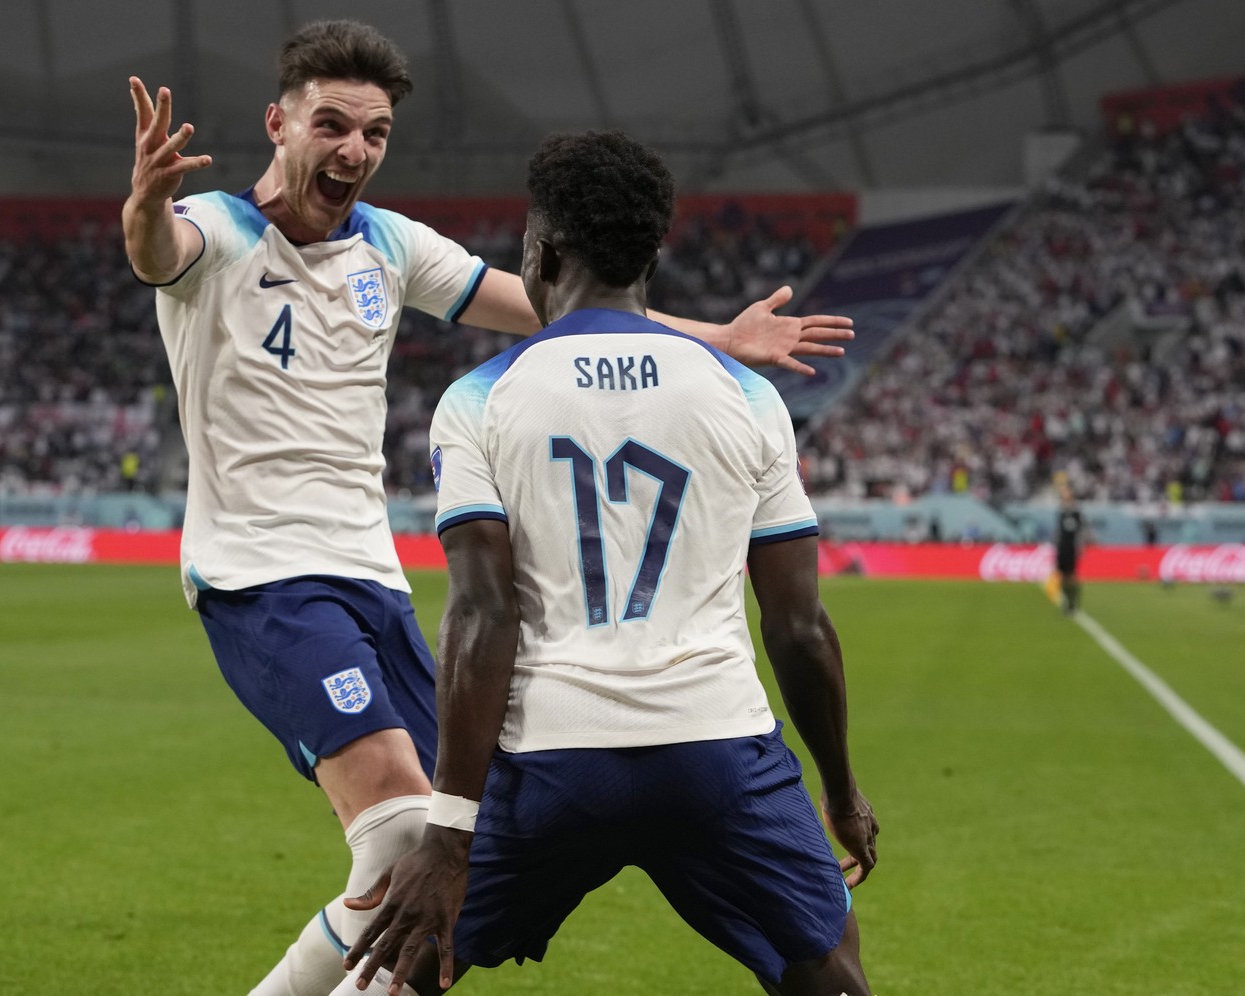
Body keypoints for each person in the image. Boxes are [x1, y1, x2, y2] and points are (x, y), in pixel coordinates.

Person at [121, 20, 855, 996]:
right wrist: (144, 203)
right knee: (400, 840)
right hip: (261, 575)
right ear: (278, 123)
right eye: (332, 124)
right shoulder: (216, 230)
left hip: (370, 579)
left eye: (375, 134)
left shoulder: (390, 245)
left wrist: (718, 332)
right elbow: (157, 248)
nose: (354, 151)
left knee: (432, 852)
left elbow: (550, 300)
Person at [338, 130, 878, 996]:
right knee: (829, 964)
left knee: (405, 959)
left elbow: (481, 614)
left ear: (542, 253)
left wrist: (448, 834)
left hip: (554, 760)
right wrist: (842, 790)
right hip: (717, 751)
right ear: (650, 255)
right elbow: (799, 625)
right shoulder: (748, 395)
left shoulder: (480, 399)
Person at [1055, 482, 1087, 615]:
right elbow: (1059, 530)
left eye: (1066, 491)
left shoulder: (1076, 511)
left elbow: (1081, 530)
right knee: (1062, 576)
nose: (1064, 494)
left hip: (1072, 547)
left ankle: (1073, 602)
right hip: (1062, 547)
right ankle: (1066, 601)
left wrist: (1081, 546)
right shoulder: (1061, 510)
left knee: (1072, 575)